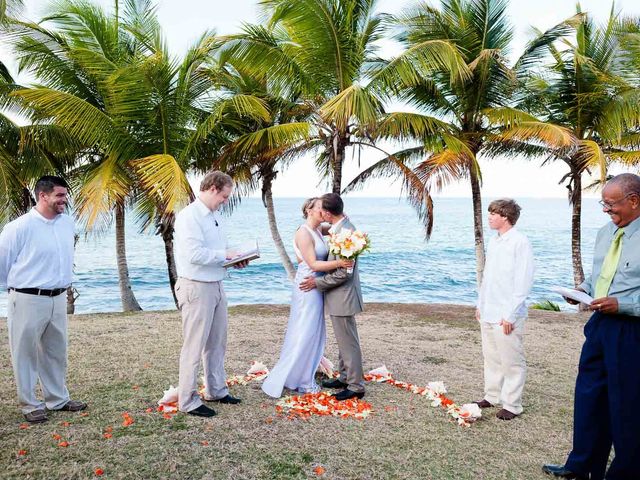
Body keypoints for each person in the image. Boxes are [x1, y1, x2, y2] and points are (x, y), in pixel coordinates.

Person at [543, 173, 640, 480]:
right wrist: (581, 290)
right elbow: (601, 275)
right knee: (589, 395)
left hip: (632, 330)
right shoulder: (605, 233)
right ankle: (581, 465)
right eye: (603, 203)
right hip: (600, 326)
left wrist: (622, 304)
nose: (605, 210)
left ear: (634, 201)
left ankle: (624, 472)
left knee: (626, 405)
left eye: (611, 204)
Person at [0, 176, 87, 424]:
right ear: (43, 196)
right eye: (60, 195)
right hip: (27, 298)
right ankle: (29, 404)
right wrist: (18, 289)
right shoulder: (19, 227)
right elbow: (2, 264)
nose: (64, 200)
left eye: (65, 195)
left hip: (58, 297)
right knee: (25, 352)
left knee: (55, 351)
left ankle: (57, 399)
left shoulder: (66, 223)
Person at [173, 170, 248, 418]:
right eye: (225, 196)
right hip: (196, 286)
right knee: (194, 345)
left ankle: (216, 389)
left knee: (217, 342)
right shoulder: (189, 217)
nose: (226, 201)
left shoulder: (215, 216)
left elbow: (217, 250)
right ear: (213, 188)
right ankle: (188, 400)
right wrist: (223, 256)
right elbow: (194, 254)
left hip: (216, 283)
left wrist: (234, 257)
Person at [262, 198, 354, 398]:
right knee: (305, 330)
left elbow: (339, 224)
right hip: (308, 286)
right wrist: (340, 263)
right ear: (309, 210)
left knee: (314, 331)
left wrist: (344, 222)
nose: (324, 210)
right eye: (320, 207)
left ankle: (303, 373)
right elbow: (312, 264)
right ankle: (302, 380)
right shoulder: (303, 233)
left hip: (316, 286)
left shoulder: (319, 229)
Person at [300, 193, 365, 401]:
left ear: (328, 212)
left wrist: (316, 283)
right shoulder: (341, 228)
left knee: (349, 342)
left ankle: (356, 386)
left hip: (343, 296)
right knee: (343, 340)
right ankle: (345, 377)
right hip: (339, 296)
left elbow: (343, 274)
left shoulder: (347, 233)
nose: (320, 213)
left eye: (322, 210)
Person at [474, 198, 534, 421]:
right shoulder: (494, 241)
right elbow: (488, 277)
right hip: (489, 309)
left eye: (493, 213)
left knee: (512, 361)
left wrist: (510, 314)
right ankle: (492, 395)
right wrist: (480, 304)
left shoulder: (520, 242)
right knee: (491, 357)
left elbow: (523, 281)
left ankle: (512, 404)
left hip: (507, 314)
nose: (489, 217)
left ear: (505, 217)